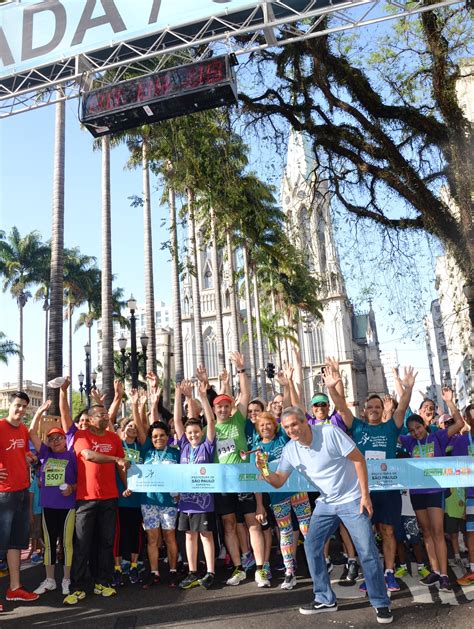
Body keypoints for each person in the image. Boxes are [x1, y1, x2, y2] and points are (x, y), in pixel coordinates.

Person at [256, 406, 393, 624]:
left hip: (352, 498)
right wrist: (263, 471)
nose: (291, 430)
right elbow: (279, 480)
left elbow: (358, 459)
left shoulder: (329, 433)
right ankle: (325, 598)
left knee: (366, 550)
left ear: (305, 422)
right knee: (311, 546)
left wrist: (365, 495)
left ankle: (381, 603)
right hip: (326, 503)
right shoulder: (290, 449)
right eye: (287, 427)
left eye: (294, 424)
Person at [324, 357, 416, 593]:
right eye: (370, 407)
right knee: (366, 535)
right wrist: (331, 387)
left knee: (387, 531)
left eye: (378, 406)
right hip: (363, 491)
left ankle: (389, 573)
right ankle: (371, 575)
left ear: (382, 409)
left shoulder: (391, 427)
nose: (374, 410)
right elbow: (341, 407)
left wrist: (408, 388)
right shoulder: (357, 427)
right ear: (364, 411)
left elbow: (403, 407)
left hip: (388, 488)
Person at [208, 352, 268, 588]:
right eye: (219, 407)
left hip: (243, 480)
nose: (223, 409)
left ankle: (261, 570)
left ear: (231, 407)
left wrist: (241, 369)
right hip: (223, 484)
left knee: (253, 523)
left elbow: (245, 394)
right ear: (214, 410)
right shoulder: (208, 431)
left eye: (226, 406)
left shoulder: (238, 420)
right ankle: (238, 568)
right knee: (229, 526)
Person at [399, 387, 464, 591]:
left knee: (437, 531)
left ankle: (444, 574)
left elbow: (460, 423)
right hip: (417, 493)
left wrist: (449, 401)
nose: (416, 432)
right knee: (426, 532)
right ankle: (435, 571)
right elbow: (393, 431)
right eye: (412, 430)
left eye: (418, 428)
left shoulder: (437, 437)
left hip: (435, 492)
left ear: (424, 425)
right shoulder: (409, 442)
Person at [63, 403, 129, 605]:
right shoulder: (81, 436)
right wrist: (116, 459)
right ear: (90, 419)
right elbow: (89, 456)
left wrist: (127, 485)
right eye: (101, 414)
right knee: (82, 544)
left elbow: (122, 466)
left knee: (106, 542)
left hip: (109, 498)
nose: (106, 416)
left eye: (107, 413)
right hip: (86, 499)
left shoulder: (114, 438)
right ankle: (77, 587)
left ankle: (103, 582)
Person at [253, 411, 312, 590]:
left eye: (268, 423)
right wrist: (259, 505)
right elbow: (259, 481)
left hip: (298, 490)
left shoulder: (283, 439)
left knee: (307, 529)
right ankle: (289, 572)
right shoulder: (256, 450)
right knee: (285, 532)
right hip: (277, 497)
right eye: (261, 425)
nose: (265, 427)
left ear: (275, 425)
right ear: (257, 429)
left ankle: (318, 565)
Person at [28, 400, 77, 596]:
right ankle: (50, 580)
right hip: (48, 505)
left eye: (59, 437)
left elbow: (83, 482)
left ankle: (66, 579)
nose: (55, 441)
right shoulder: (45, 455)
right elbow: (32, 433)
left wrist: (72, 487)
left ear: (65, 440)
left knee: (66, 544)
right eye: (52, 438)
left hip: (67, 506)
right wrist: (39, 412)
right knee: (49, 544)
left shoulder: (73, 456)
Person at [174, 378, 216, 590]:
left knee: (206, 535)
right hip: (185, 502)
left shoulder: (207, 447)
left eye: (196, 432)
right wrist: (178, 395)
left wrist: (202, 397)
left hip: (204, 501)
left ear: (202, 431)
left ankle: (210, 571)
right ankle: (192, 572)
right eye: (190, 433)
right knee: (189, 536)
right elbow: (177, 422)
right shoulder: (183, 446)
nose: (192, 435)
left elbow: (210, 419)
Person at [0, 391, 39, 607]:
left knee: (15, 543)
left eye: (24, 406)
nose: (21, 409)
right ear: (9, 405)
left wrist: (29, 457)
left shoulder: (23, 430)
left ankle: (14, 588)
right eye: (17, 405)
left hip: (22, 491)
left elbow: (23, 452)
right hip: (3, 494)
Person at [113, 389, 147, 587]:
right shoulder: (118, 446)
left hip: (138, 499)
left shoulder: (141, 447)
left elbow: (143, 427)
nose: (133, 429)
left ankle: (134, 566)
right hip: (120, 497)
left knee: (136, 533)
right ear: (122, 430)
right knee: (119, 534)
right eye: (129, 426)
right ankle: (117, 569)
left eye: (135, 427)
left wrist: (137, 405)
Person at [140, 419, 180, 589]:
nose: (158, 439)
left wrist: (180, 492)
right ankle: (154, 573)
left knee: (169, 537)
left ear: (167, 436)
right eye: (155, 436)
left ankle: (173, 571)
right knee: (152, 538)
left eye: (162, 435)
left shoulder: (175, 453)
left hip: (169, 502)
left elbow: (182, 476)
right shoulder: (146, 453)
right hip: (148, 501)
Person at [451, 402, 474, 585]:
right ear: (466, 419)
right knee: (471, 533)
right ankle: (473, 570)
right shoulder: (461, 441)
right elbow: (455, 469)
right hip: (470, 495)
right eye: (472, 416)